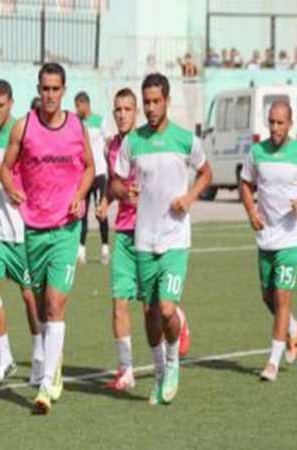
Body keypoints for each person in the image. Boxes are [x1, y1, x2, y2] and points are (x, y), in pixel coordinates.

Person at [1, 62, 95, 414]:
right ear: (38, 90)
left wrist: (80, 196)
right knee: (41, 306)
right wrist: (11, 189)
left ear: (64, 90)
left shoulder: (76, 126)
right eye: (45, 89)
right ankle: (55, 360)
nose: (50, 95)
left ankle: (46, 383)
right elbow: (5, 168)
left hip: (66, 229)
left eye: (56, 89)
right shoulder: (23, 127)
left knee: (56, 303)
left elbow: (90, 167)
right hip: (34, 230)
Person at [113, 73, 212, 405]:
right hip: (144, 240)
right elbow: (115, 182)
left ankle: (172, 364)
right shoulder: (133, 142)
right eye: (147, 102)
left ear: (167, 101)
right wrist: (124, 192)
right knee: (149, 312)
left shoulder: (185, 140)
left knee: (168, 310)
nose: (151, 108)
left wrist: (191, 197)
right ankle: (158, 374)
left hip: (175, 240)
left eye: (157, 101)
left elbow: (206, 172)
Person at [97, 88, 191, 392]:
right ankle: (126, 370)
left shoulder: (145, 141)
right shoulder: (113, 147)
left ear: (136, 112)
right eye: (118, 109)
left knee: (152, 308)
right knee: (119, 302)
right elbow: (115, 184)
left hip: (148, 233)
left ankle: (176, 321)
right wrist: (106, 202)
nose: (122, 114)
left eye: (128, 109)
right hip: (123, 234)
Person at [0, 79, 43, 386]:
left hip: (23, 230)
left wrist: (11, 185)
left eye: (0, 105)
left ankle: (39, 356)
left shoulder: (22, 132)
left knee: (30, 297)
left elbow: (32, 178)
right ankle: (4, 358)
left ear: (11, 104)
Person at [240, 100, 297, 382]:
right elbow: (245, 183)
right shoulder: (257, 152)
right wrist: (251, 212)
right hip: (266, 235)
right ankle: (293, 327)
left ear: (290, 124)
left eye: (281, 123)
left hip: (291, 236)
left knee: (281, 296)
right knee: (268, 297)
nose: (275, 128)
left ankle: (272, 363)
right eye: (272, 122)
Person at [74, 91, 109, 265]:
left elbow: (108, 143)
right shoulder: (77, 123)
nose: (76, 109)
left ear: (85, 104)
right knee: (82, 213)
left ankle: (105, 249)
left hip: (100, 174)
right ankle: (81, 251)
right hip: (84, 175)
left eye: (78, 105)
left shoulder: (100, 121)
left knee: (100, 212)